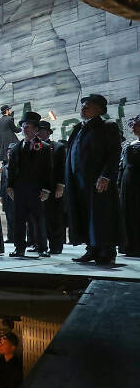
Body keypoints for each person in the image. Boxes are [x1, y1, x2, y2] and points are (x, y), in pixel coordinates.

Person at [65, 94, 122, 265]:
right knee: (85, 215)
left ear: (99, 109)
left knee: (102, 215)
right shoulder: (78, 128)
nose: (83, 108)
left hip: (97, 181)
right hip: (78, 182)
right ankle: (91, 249)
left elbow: (113, 153)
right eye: (82, 105)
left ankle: (107, 251)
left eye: (87, 106)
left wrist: (106, 175)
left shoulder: (107, 126)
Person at [7, 111, 52, 258]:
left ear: (35, 129)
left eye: (28, 126)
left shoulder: (44, 147)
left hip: (36, 189)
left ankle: (42, 248)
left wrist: (46, 188)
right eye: (23, 126)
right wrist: (9, 186)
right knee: (19, 220)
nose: (25, 129)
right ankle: (19, 248)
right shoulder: (15, 148)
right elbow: (11, 168)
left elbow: (47, 170)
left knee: (39, 220)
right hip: (20, 189)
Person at [38, 121, 67, 255]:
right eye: (38, 130)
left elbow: (61, 169)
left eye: (43, 130)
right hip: (37, 189)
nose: (40, 133)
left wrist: (60, 186)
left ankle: (56, 246)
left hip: (53, 188)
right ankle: (40, 244)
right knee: (39, 218)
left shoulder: (58, 147)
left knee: (54, 218)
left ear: (49, 132)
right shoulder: (33, 147)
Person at [119, 115, 140, 256]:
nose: (132, 127)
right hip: (127, 183)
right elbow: (121, 165)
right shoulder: (129, 145)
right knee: (128, 212)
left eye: (136, 125)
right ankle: (129, 246)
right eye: (132, 125)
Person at [0, 143, 17, 243]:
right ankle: (11, 237)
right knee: (9, 217)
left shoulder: (19, 165)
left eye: (11, 152)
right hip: (7, 196)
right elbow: (3, 183)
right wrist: (2, 196)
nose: (9, 154)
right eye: (8, 152)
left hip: (16, 195)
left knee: (17, 217)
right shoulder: (4, 167)